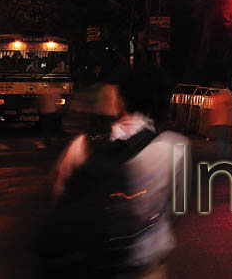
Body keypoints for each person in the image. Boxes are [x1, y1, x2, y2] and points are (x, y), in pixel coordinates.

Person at [46, 68, 187, 278]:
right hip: (144, 264)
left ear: (121, 101)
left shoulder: (82, 145)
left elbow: (59, 197)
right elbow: (176, 208)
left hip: (91, 261)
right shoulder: (175, 147)